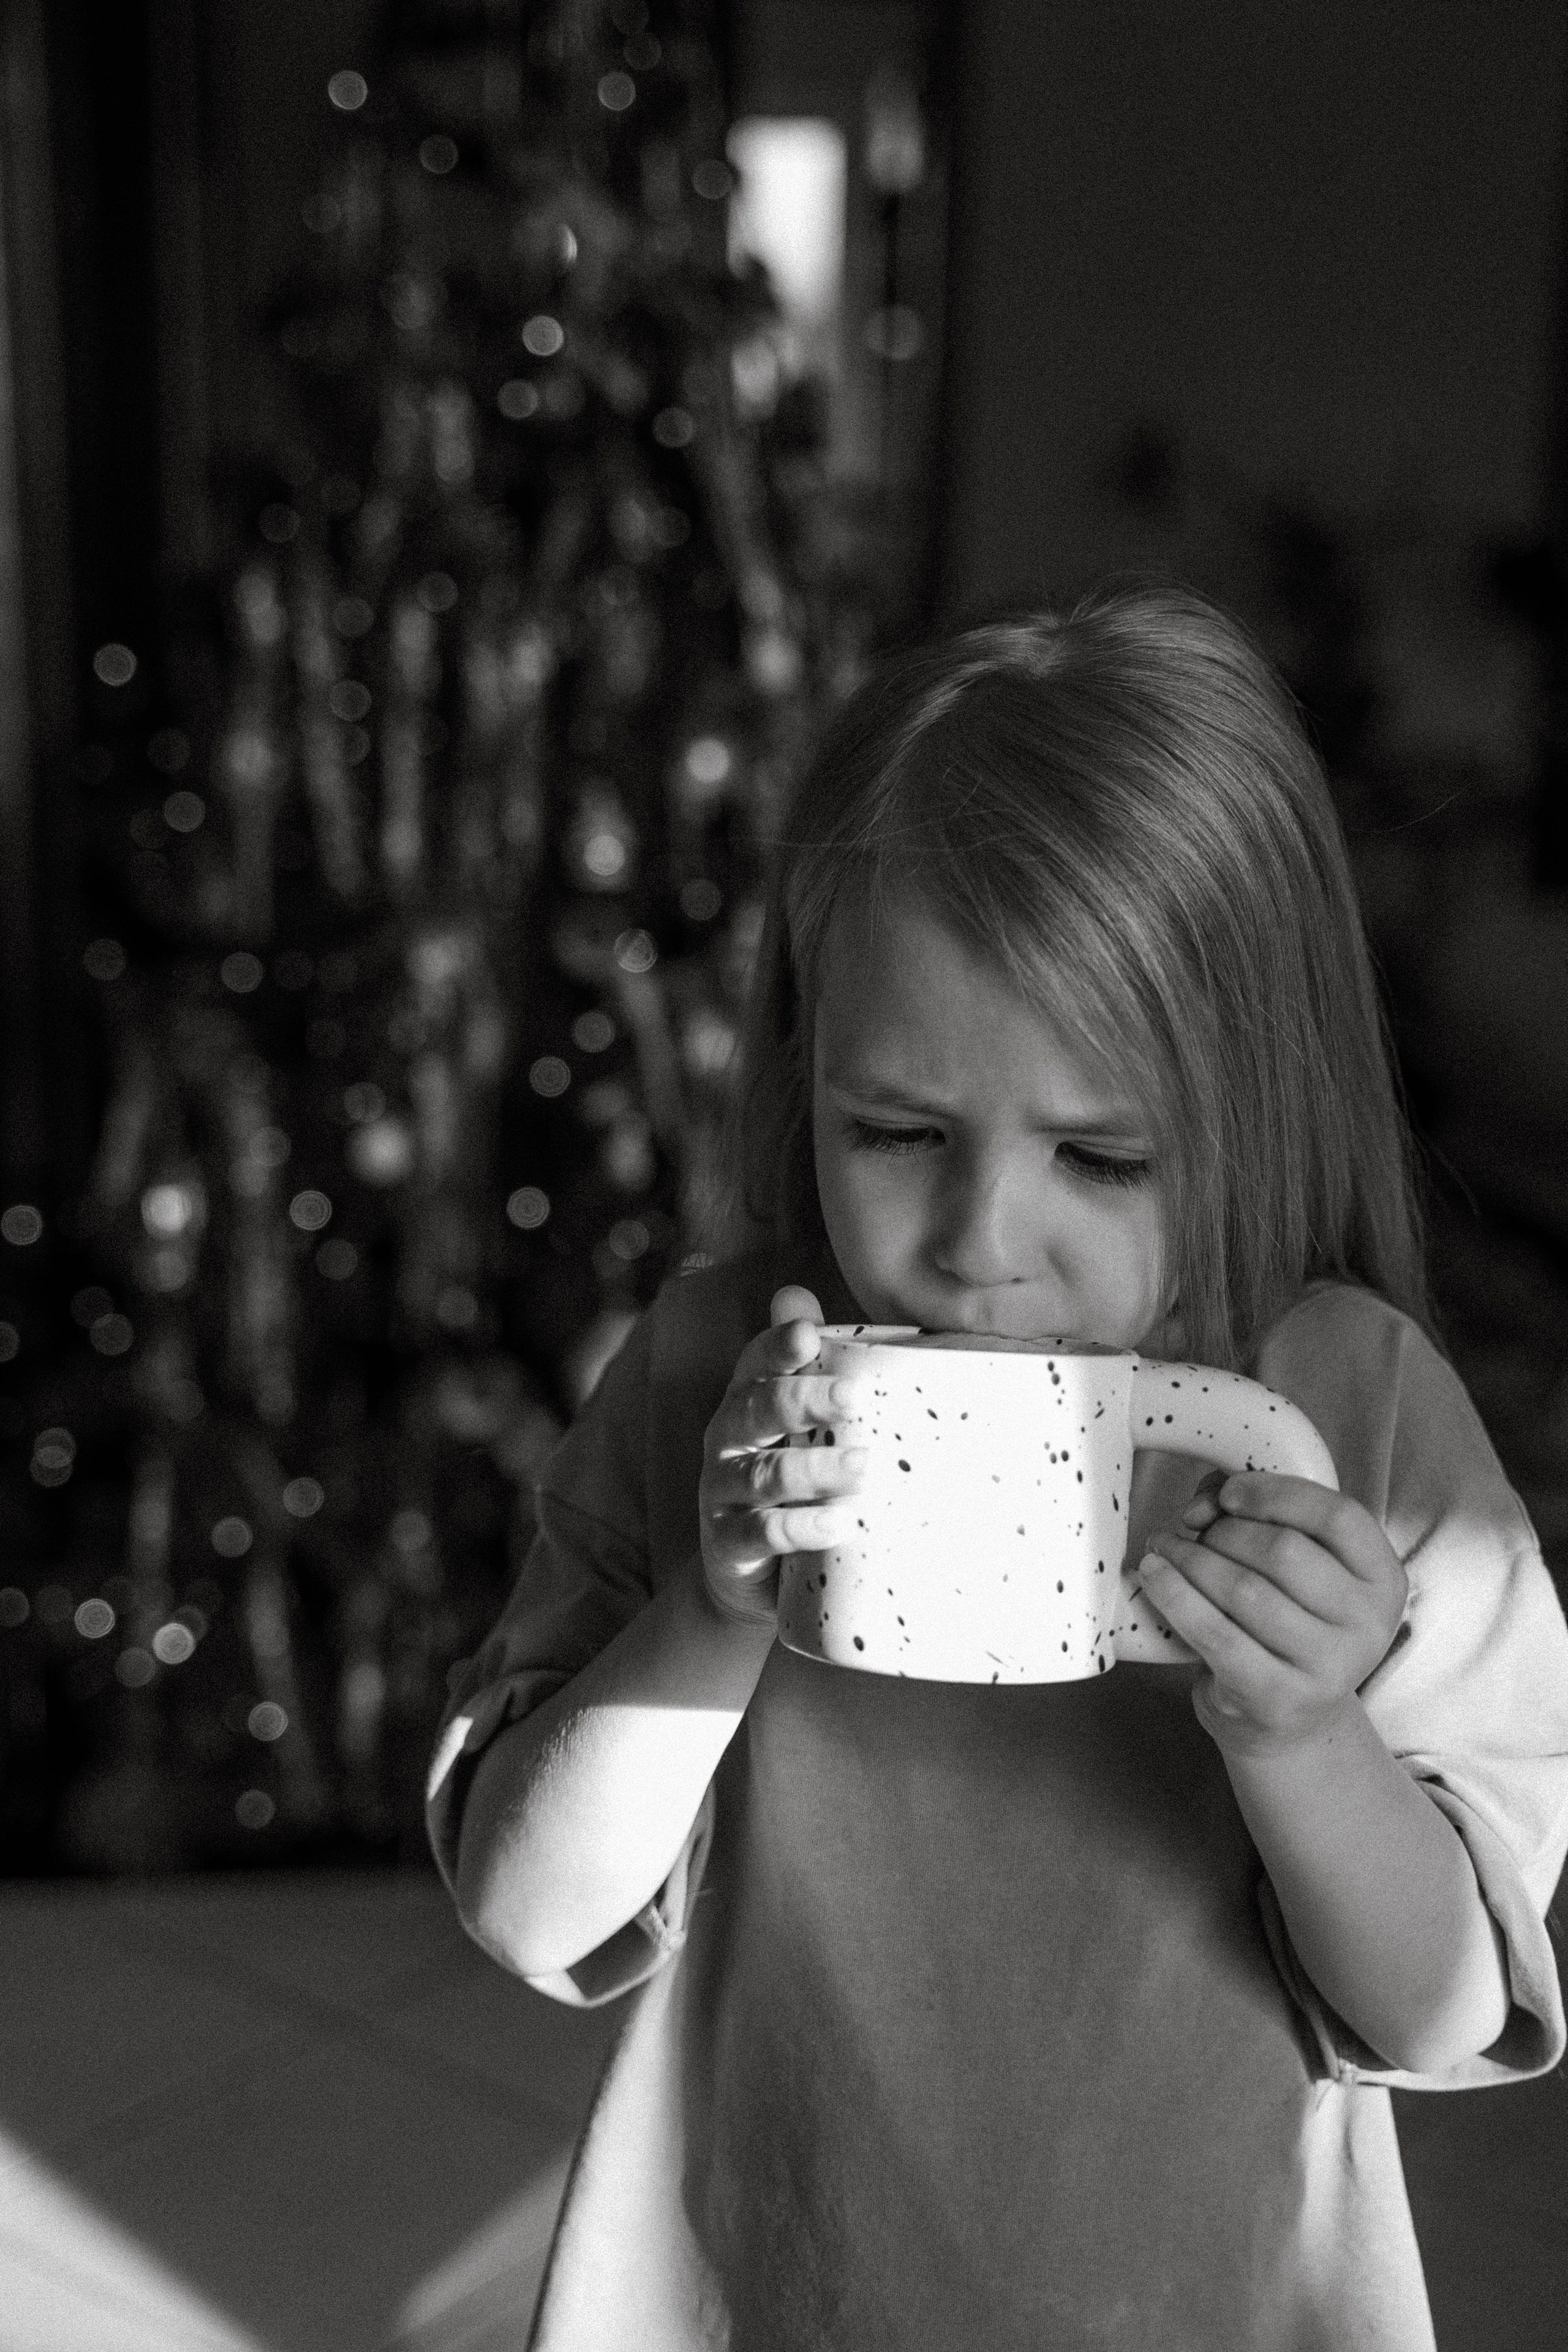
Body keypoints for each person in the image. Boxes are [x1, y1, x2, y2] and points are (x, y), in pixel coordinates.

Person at [427, 585, 1568, 2350]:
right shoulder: (718, 1379)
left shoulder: (1362, 1418)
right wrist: (713, 1613)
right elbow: (526, 1911)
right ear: (804, 1072)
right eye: (896, 1132)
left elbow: (1432, 2015)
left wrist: (1306, 1732)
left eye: (1102, 1157)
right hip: (757, 2284)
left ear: (1258, 1108)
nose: (977, 1244)